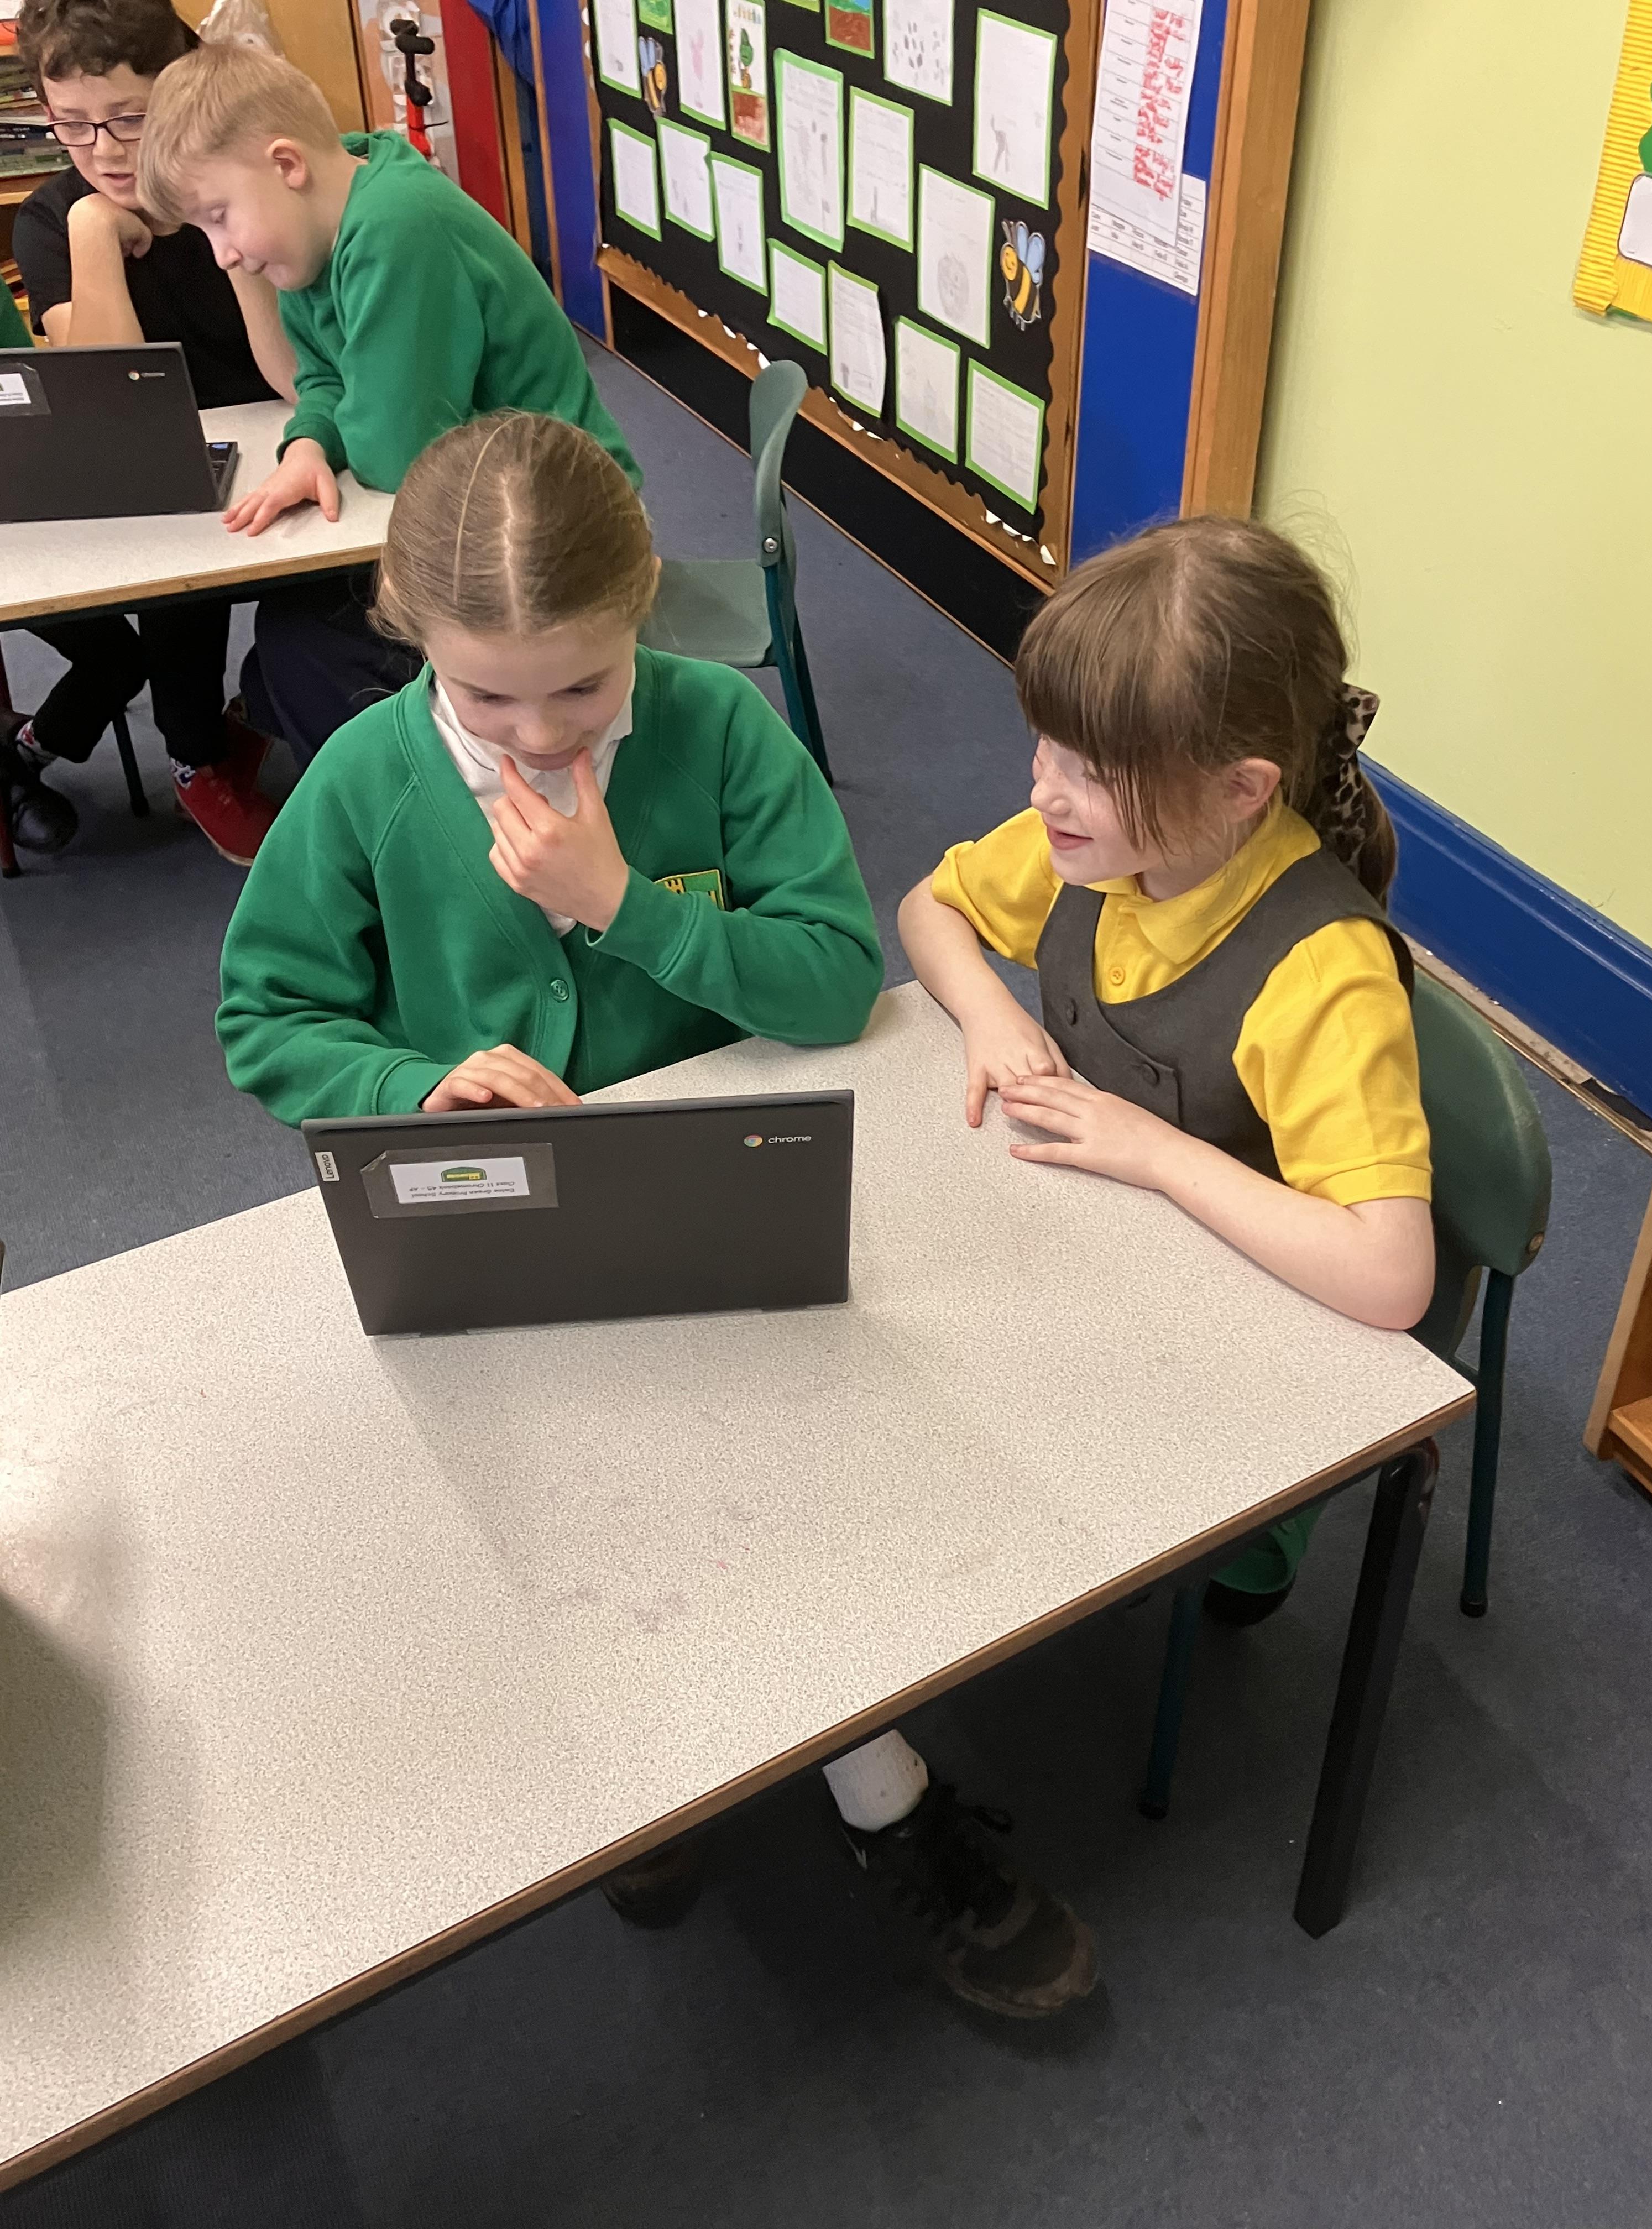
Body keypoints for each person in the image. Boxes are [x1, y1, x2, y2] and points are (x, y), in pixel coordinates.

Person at [217, 411, 1097, 2023]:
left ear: (643, 618)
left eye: (582, 687)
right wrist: (415, 1080)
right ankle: (655, 1766)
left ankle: (881, 1793)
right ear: (414, 642)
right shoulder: (363, 780)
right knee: (562, 1505)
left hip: (711, 1198)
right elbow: (265, 1017)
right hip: (491, 1224)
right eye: (487, 697)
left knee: (792, 1485)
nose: (538, 736)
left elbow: (834, 981)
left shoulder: (713, 728)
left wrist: (624, 909)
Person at [901, 515, 1435, 1624]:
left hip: (1252, 1324)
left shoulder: (1321, 973)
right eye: (1045, 747)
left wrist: (1153, 1151)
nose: (1044, 794)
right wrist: (990, 1015)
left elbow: (1392, 1278)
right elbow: (929, 908)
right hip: (1103, 1256)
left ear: (1241, 790)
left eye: (1089, 772)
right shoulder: (1106, 845)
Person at [135, 39, 639, 767]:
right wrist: (309, 443)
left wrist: (339, 427)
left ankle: (447, 803)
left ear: (286, 165)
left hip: (558, 524)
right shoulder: (312, 236)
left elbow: (398, 453)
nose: (223, 255)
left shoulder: (396, 227)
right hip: (480, 501)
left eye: (219, 216)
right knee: (286, 646)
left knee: (302, 650)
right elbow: (321, 378)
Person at [2, 0, 291, 865]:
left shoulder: (238, 180)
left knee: (335, 601)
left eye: (130, 119)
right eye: (73, 125)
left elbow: (289, 372)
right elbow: (111, 406)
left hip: (287, 432)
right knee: (178, 573)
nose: (105, 151)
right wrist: (95, 231)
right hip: (164, 462)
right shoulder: (53, 220)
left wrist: (213, 213)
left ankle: (261, 710)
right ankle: (196, 758)